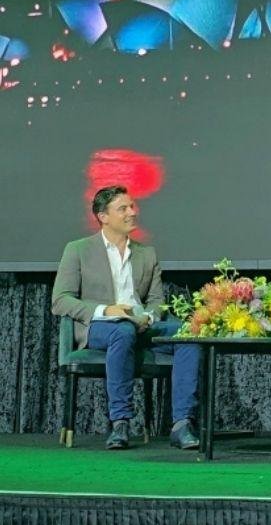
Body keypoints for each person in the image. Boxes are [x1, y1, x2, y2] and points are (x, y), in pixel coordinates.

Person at [51, 185, 201, 450]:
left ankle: (182, 424)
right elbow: (61, 300)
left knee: (189, 333)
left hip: (141, 325)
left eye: (132, 206)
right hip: (100, 326)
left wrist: (148, 318)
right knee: (122, 330)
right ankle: (120, 422)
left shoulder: (147, 253)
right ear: (103, 216)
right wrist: (107, 310)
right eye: (123, 208)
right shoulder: (77, 250)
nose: (132, 212)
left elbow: (156, 301)